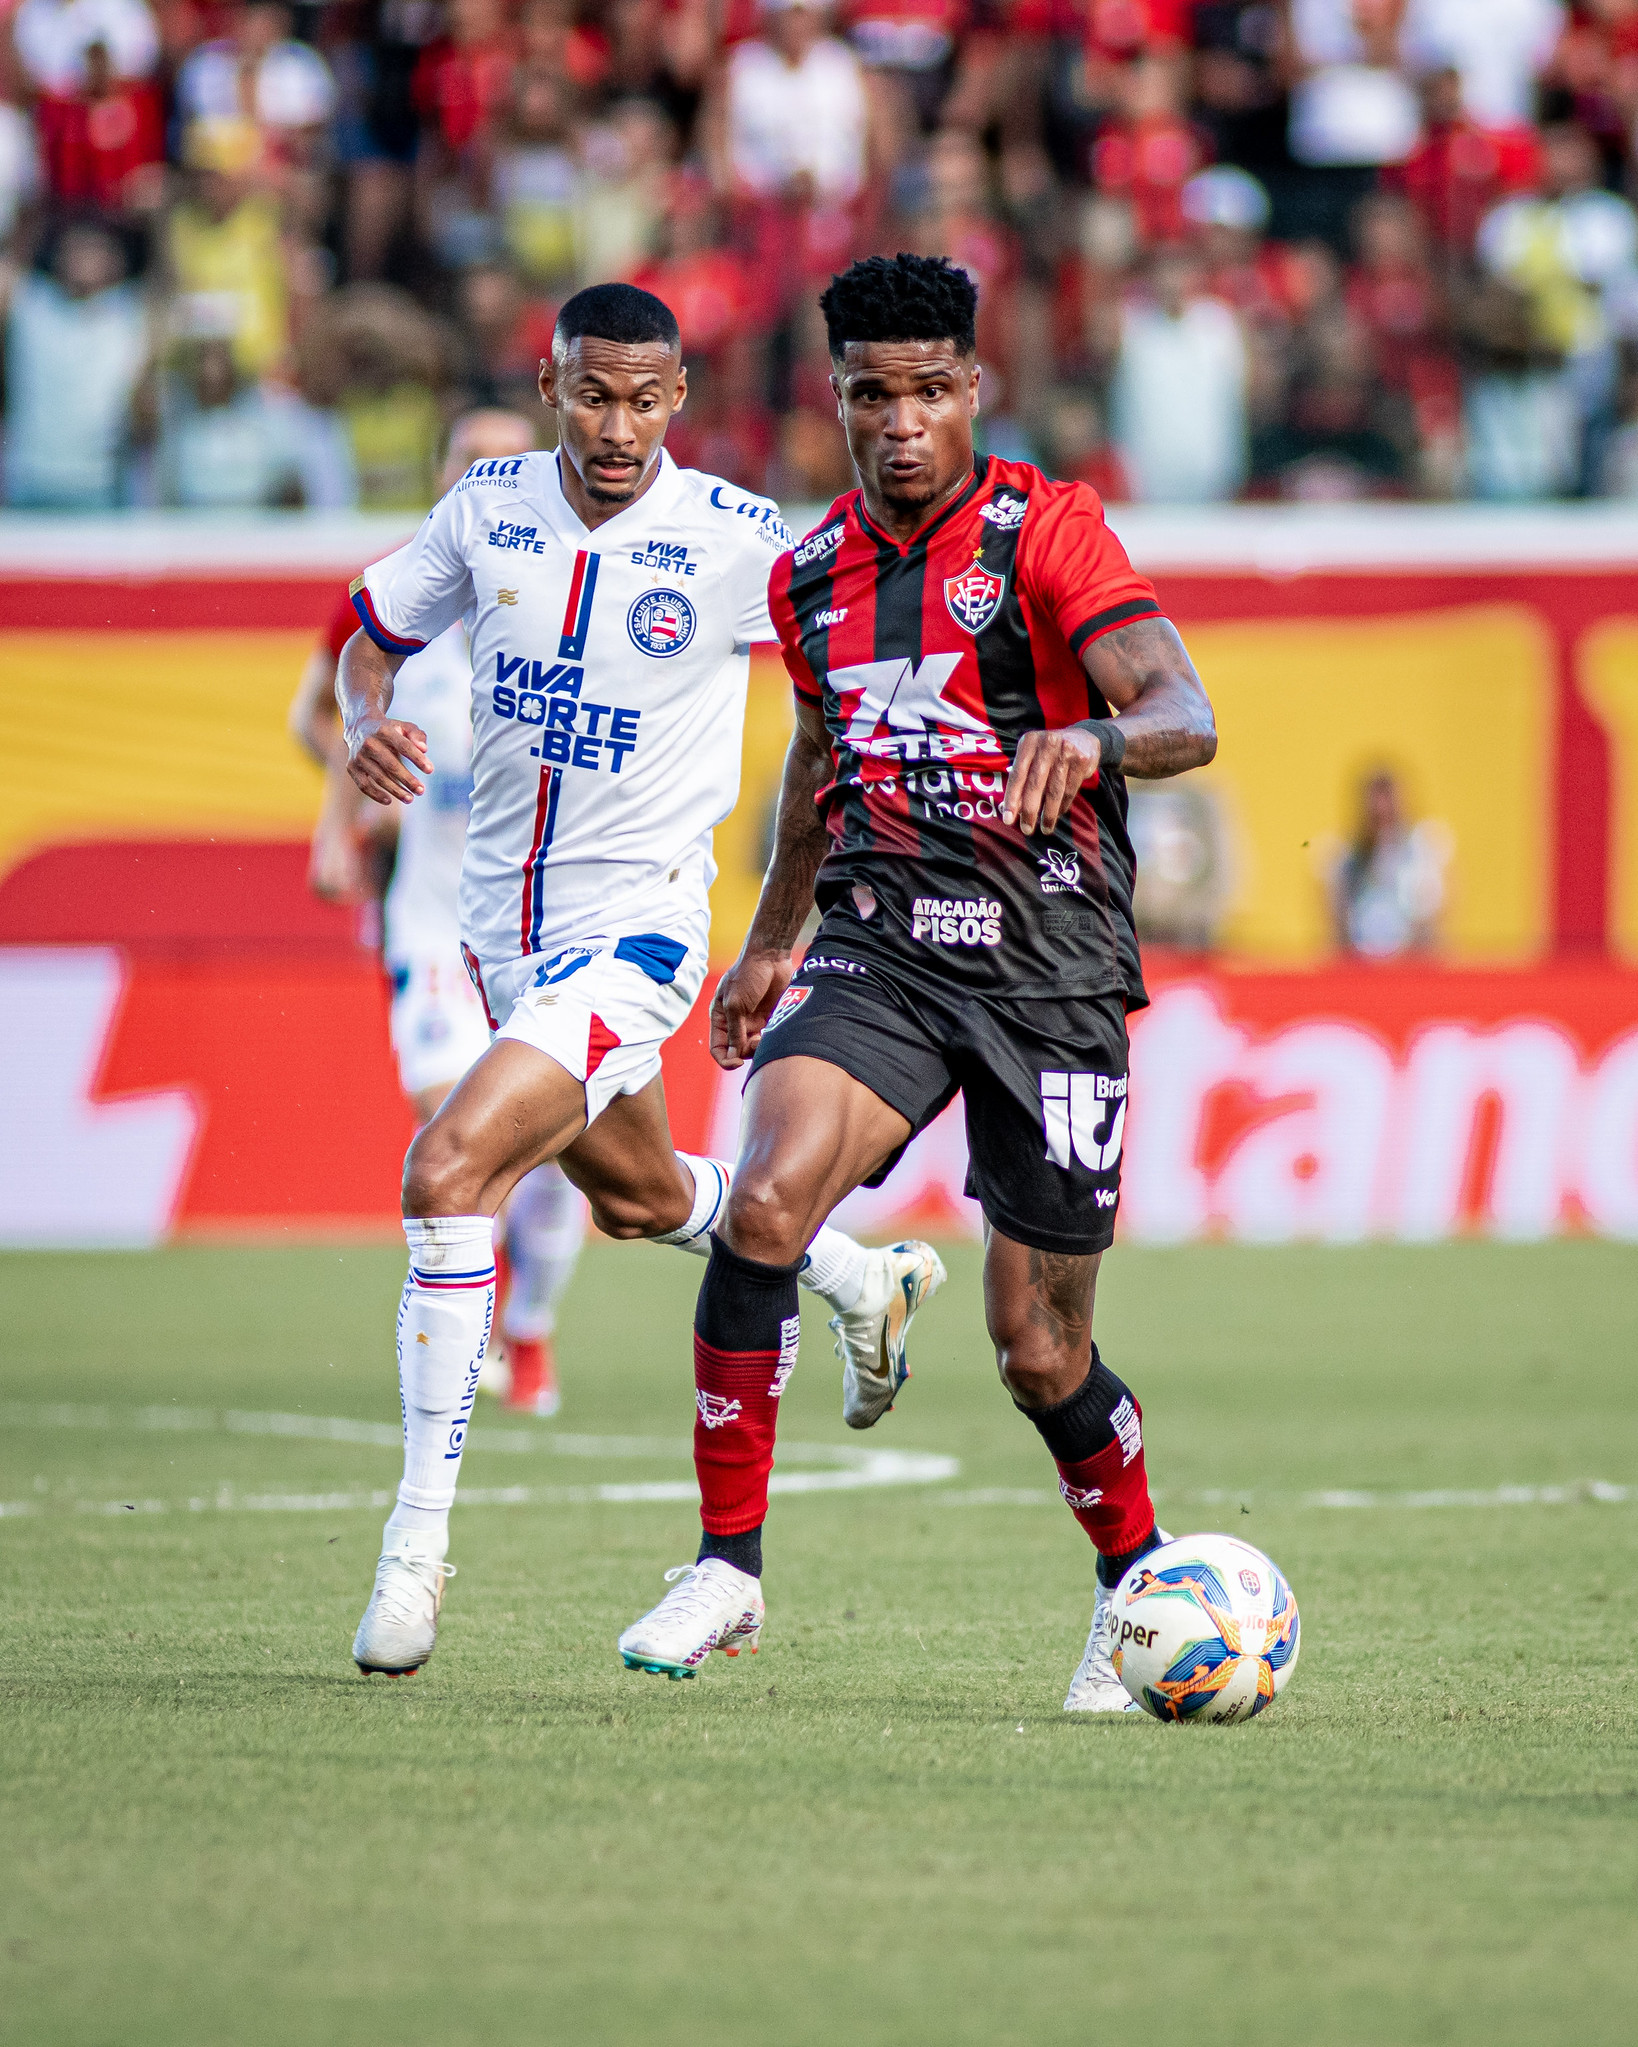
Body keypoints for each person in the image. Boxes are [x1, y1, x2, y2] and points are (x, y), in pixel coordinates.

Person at [615, 253, 1217, 1710]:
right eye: (871, 393)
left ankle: (1130, 1578)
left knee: (1035, 1344)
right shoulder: (808, 574)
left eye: (929, 391)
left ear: (972, 390)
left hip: (1050, 964)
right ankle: (727, 1567)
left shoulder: (1046, 531)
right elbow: (822, 767)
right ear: (834, 398)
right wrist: (769, 939)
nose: (900, 422)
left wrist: (1096, 743)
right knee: (762, 1204)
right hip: (881, 942)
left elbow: (1182, 709)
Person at [339, 281, 944, 1677]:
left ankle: (413, 1552)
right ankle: (856, 1276)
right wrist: (369, 719)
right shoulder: (484, 509)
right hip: (503, 933)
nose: (618, 425)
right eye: (593, 394)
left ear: (681, 398)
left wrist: (796, 915)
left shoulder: (739, 542)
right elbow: (369, 626)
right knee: (635, 1196)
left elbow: (841, 697)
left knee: (447, 1169)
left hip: (642, 935)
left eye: (646, 397)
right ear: (552, 383)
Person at [293, 409, 582, 1417]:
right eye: (469, 463)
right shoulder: (391, 599)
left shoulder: (564, 600)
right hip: (431, 926)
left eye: (505, 465)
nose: (486, 483)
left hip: (547, 931)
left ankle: (528, 1330)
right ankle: (472, 1343)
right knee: (454, 1132)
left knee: (555, 1159)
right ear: (443, 476)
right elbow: (321, 713)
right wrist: (347, 818)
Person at [1330, 769, 1449, 956]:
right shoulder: (1346, 861)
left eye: (1388, 809)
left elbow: (1434, 924)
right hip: (1360, 967)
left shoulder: (1424, 853)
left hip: (1410, 965)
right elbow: (1338, 927)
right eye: (1376, 814)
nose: (1382, 811)